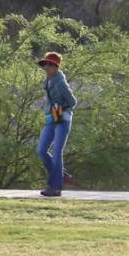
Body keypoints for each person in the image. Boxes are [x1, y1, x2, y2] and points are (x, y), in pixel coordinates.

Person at [35, 52, 77, 198]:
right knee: (41, 150)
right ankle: (62, 175)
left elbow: (73, 102)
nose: (46, 67)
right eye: (45, 64)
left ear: (56, 67)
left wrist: (61, 107)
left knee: (57, 151)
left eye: (49, 64)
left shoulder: (60, 81)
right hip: (51, 118)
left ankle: (55, 187)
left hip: (63, 118)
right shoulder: (49, 79)